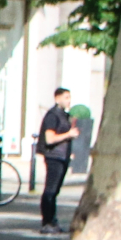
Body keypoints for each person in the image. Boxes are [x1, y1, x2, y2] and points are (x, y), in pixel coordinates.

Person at [36, 87, 79, 231]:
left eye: (69, 97)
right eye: (66, 97)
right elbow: (50, 138)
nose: (69, 101)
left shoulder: (64, 115)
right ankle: (47, 221)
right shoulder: (53, 115)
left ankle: (52, 221)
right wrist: (68, 134)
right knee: (50, 190)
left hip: (62, 156)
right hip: (54, 156)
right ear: (57, 98)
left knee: (55, 191)